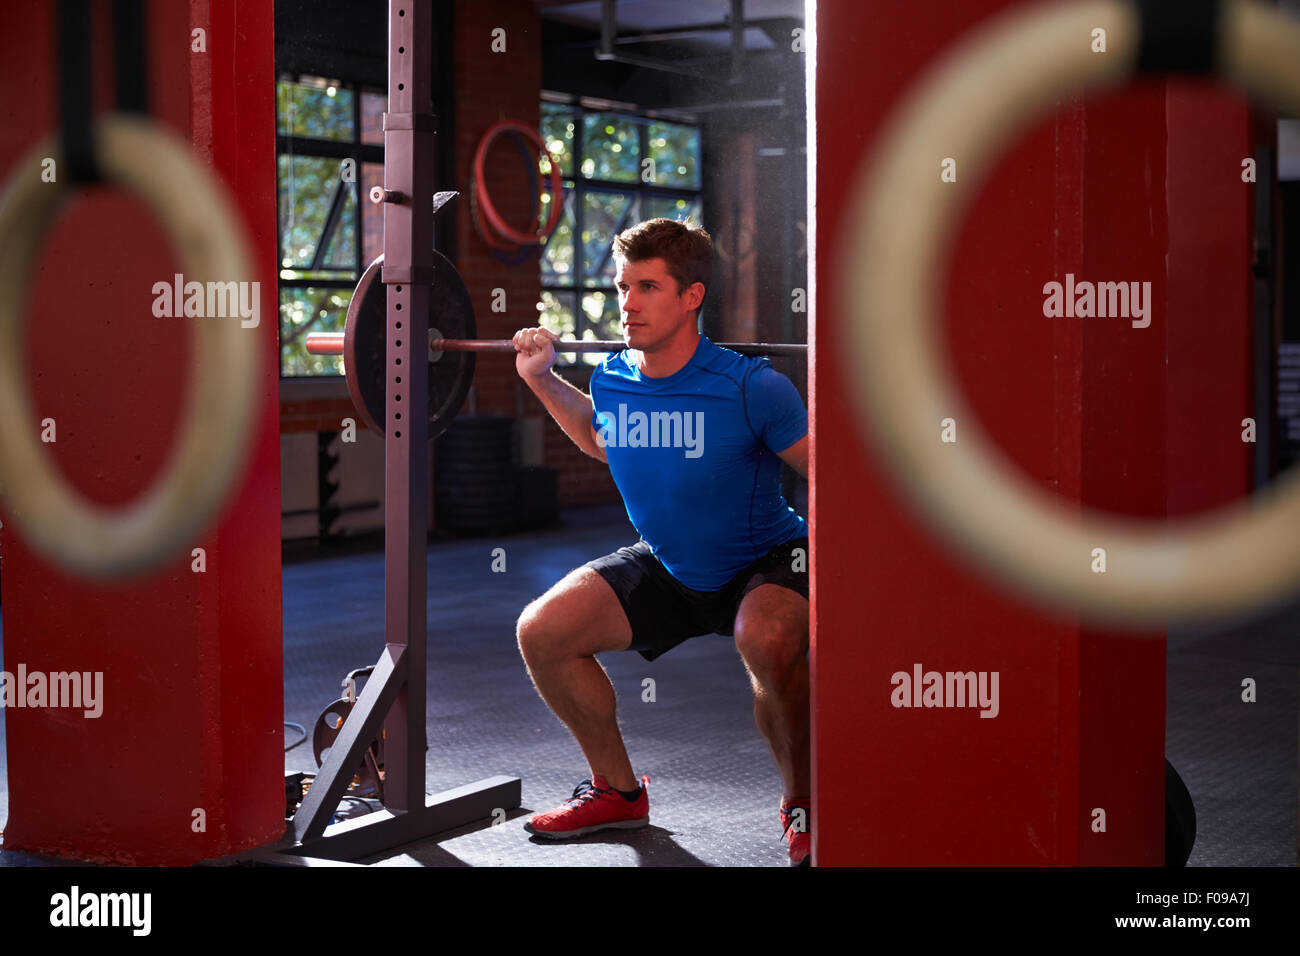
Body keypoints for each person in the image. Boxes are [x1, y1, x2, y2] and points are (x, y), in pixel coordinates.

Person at [512, 218, 811, 866]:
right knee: (543, 632)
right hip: (671, 565)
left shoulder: (752, 387)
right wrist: (540, 377)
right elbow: (599, 438)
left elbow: (831, 476)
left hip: (766, 559)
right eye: (623, 286)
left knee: (766, 637)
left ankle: (804, 803)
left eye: (647, 286)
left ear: (692, 296)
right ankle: (616, 792)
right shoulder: (614, 380)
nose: (628, 303)